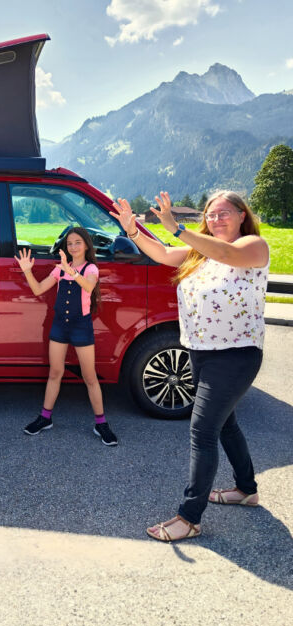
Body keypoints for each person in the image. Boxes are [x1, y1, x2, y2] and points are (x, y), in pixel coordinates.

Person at [112, 191, 269, 542]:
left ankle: (189, 517)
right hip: (200, 352)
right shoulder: (200, 253)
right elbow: (164, 254)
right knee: (226, 425)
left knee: (202, 432)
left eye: (224, 213)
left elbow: (227, 253)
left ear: (242, 215)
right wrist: (133, 229)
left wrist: (176, 227)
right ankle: (246, 490)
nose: (216, 219)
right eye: (211, 214)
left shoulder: (254, 245)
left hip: (235, 354)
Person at [14, 227, 118, 446]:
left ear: (87, 245)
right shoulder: (60, 269)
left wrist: (72, 273)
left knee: (90, 377)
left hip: (81, 326)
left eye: (77, 242)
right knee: (55, 372)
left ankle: (101, 424)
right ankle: (45, 418)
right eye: (69, 243)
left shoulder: (91, 269)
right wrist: (27, 271)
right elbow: (38, 289)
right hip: (60, 325)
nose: (73, 247)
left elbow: (89, 285)